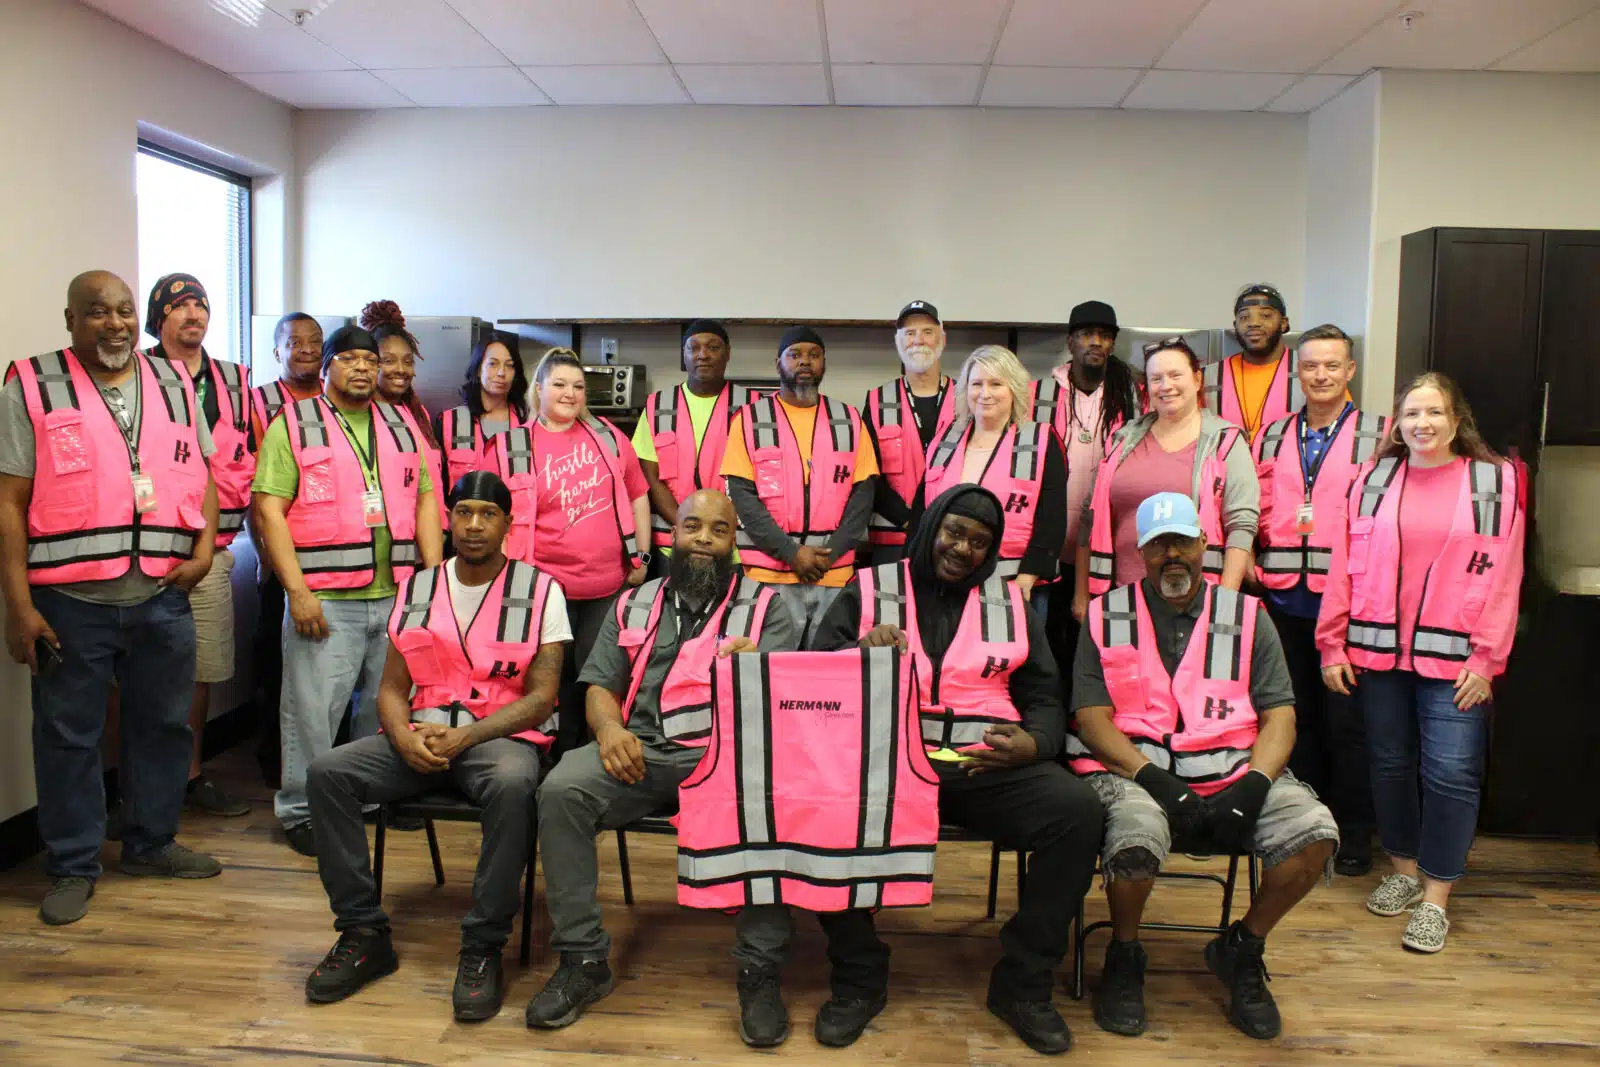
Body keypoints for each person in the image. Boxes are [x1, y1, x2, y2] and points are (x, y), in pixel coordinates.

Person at [807, 485, 1104, 1056]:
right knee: (820, 809)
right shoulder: (870, 588)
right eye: (955, 532)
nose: (964, 549)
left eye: (980, 542)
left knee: (1077, 811)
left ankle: (1022, 985)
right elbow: (814, 680)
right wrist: (859, 654)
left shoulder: (1010, 603)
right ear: (931, 527)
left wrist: (1036, 742)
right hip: (887, 763)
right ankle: (858, 977)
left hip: (982, 765)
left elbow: (1044, 693)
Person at [1068, 492, 1339, 1041]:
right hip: (1136, 772)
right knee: (1136, 841)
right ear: (1139, 554)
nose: (1173, 555)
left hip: (1236, 769)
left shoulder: (1248, 615)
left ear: (1205, 544)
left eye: (1183, 542)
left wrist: (1256, 785)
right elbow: (1092, 720)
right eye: (1158, 544)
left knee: (1315, 835)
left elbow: (1280, 716)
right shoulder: (1105, 614)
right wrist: (1156, 781)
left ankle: (1241, 948)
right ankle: (1124, 954)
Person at [528, 490, 797, 1034]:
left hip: (726, 756)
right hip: (641, 751)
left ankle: (759, 970)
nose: (702, 538)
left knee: (773, 803)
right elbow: (601, 683)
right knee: (561, 792)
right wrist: (608, 732)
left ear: (733, 543)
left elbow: (784, 707)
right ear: (672, 535)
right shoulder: (634, 602)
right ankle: (583, 960)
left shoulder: (768, 610)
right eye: (691, 526)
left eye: (717, 531)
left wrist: (758, 673)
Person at [0, 270, 223, 926]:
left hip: (161, 592)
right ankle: (71, 864)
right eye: (98, 312)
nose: (116, 324)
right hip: (70, 597)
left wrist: (205, 548)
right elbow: (9, 504)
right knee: (69, 735)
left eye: (125, 311)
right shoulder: (33, 384)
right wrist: (19, 605)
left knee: (162, 724)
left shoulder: (175, 381)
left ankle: (151, 841)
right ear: (71, 320)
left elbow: (201, 472)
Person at [301, 471, 565, 1021]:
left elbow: (541, 699)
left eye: (487, 514)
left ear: (507, 524)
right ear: (448, 518)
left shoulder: (542, 589)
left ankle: (483, 943)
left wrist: (467, 734)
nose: (473, 525)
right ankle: (363, 932)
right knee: (328, 773)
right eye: (463, 511)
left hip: (497, 739)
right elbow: (393, 688)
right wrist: (401, 735)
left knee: (516, 784)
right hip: (419, 737)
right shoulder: (418, 586)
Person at [1317, 372, 1524, 954]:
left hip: (1457, 659)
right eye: (1411, 414)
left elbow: (1507, 575)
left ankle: (1436, 898)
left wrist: (1487, 659)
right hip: (1378, 653)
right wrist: (1332, 643)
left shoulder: (1494, 482)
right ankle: (1403, 872)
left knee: (1451, 774)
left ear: (1457, 421)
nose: (1422, 424)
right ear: (1397, 424)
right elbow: (1343, 568)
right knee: (1387, 764)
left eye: (1434, 413)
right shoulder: (1373, 479)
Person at [251, 324, 443, 857]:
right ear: (328, 365)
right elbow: (269, 509)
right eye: (350, 359)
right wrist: (297, 591)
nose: (363, 367)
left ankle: (364, 799)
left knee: (379, 711)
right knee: (313, 712)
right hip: (326, 597)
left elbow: (427, 500)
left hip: (396, 594)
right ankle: (300, 810)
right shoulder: (293, 424)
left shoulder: (403, 425)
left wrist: (430, 580)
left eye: (370, 359)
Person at [1252, 324, 1385, 876]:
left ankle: (1353, 834)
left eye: (1332, 365)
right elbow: (1256, 504)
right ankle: (1303, 828)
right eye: (1311, 366)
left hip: (1348, 610)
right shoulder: (1272, 435)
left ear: (1350, 370)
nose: (1321, 375)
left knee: (1349, 727)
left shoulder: (1381, 435)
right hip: (1282, 603)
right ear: (1296, 371)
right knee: (1292, 719)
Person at [500, 346, 648, 752]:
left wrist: (643, 558)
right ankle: (549, 757)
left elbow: (638, 495)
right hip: (544, 589)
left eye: (578, 386)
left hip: (607, 585)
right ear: (539, 389)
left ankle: (590, 756)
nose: (570, 393)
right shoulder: (512, 445)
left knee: (598, 677)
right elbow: (495, 514)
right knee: (548, 678)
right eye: (560, 384)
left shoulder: (609, 438)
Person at [146, 273, 252, 818]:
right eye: (180, 305)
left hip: (212, 548)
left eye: (201, 305)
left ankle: (190, 778)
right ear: (158, 317)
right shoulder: (136, 375)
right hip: (144, 552)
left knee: (203, 669)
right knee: (134, 677)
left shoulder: (234, 381)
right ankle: (129, 786)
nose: (194, 314)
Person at [1073, 337, 1259, 618]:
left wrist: (1225, 602)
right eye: (1156, 378)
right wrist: (1081, 594)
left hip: (1198, 602)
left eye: (1175, 375)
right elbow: (1090, 519)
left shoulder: (1225, 441)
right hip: (1121, 599)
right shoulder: (1123, 439)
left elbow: (1241, 526)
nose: (1166, 386)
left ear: (1197, 379)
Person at [720, 326, 879, 644]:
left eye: (814, 355)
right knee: (770, 670)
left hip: (832, 574)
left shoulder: (849, 420)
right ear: (777, 363)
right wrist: (792, 554)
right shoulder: (749, 419)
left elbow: (863, 496)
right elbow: (743, 497)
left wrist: (827, 557)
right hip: (767, 574)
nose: (805, 361)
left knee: (827, 675)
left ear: (824, 364)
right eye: (795, 355)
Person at [1028, 300, 1141, 670]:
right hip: (1047, 538)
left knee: (1093, 638)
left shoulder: (1130, 395)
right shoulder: (1039, 394)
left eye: (1105, 336)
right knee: (1045, 636)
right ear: (1071, 341)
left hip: (1105, 542)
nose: (1096, 342)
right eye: (1087, 335)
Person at [911, 346, 1066, 603]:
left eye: (996, 384)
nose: (985, 394)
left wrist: (1027, 578)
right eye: (976, 384)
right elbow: (922, 511)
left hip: (1015, 585)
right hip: (944, 580)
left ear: (1014, 389)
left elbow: (1052, 518)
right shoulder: (944, 438)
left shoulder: (1042, 440)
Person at [250, 312, 325, 786]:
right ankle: (278, 763)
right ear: (276, 351)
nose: (304, 349)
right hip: (279, 555)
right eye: (293, 341)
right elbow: (252, 489)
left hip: (333, 560)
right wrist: (265, 557)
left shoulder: (337, 402)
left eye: (313, 341)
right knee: (277, 663)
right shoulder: (258, 405)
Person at [634, 320, 747, 563]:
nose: (702, 355)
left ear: (728, 354)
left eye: (713, 348)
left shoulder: (754, 406)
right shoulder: (659, 406)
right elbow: (650, 479)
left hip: (736, 548)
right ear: (683, 355)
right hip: (671, 546)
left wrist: (720, 531)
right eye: (693, 348)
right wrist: (687, 529)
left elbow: (761, 483)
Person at [862, 300, 956, 560]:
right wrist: (908, 520)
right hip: (892, 539)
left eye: (927, 332)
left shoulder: (968, 398)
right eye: (910, 334)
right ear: (898, 342)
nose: (918, 340)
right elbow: (868, 474)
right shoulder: (877, 401)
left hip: (953, 537)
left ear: (942, 339)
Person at [362, 300, 446, 531]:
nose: (401, 369)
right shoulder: (361, 417)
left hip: (429, 538)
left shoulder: (419, 415)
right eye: (388, 361)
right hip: (383, 541)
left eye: (408, 361)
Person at [1204, 283, 1312, 444]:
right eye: (1244, 317)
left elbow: (1340, 429)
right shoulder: (1207, 376)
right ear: (1235, 326)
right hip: (1224, 468)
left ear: (1283, 323)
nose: (1253, 323)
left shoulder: (1313, 371)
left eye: (1266, 315)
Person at [436, 335, 530, 493]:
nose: (501, 373)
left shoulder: (528, 423)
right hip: (461, 515)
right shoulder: (449, 422)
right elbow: (436, 486)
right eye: (493, 364)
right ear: (478, 369)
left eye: (509, 366)